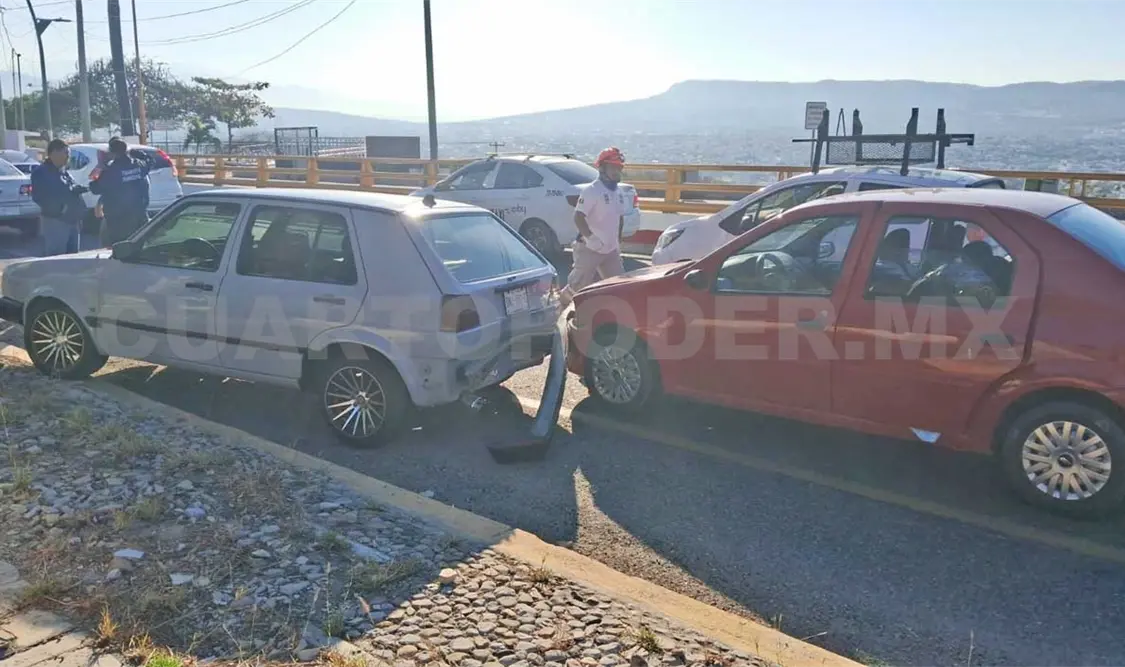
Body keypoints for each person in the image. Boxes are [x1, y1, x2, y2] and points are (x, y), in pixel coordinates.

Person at [560, 147, 628, 308]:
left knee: (619, 285)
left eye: (619, 168)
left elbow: (619, 217)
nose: (617, 171)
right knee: (577, 286)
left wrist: (617, 242)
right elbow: (578, 216)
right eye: (613, 167)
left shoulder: (618, 192)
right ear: (602, 168)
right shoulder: (592, 191)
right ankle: (561, 307)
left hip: (610, 249)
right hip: (589, 248)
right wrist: (590, 237)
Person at [30, 139, 88, 256]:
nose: (68, 156)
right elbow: (39, 197)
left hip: (72, 220)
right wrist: (60, 209)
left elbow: (69, 188)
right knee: (57, 258)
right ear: (54, 153)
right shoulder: (41, 172)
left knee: (73, 257)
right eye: (65, 152)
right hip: (56, 221)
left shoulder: (63, 171)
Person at [90, 137, 151, 246]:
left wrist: (102, 165)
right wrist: (136, 153)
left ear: (112, 153)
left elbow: (95, 188)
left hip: (119, 219)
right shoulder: (139, 165)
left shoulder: (112, 171)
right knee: (141, 246)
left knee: (120, 248)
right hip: (140, 214)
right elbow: (150, 161)